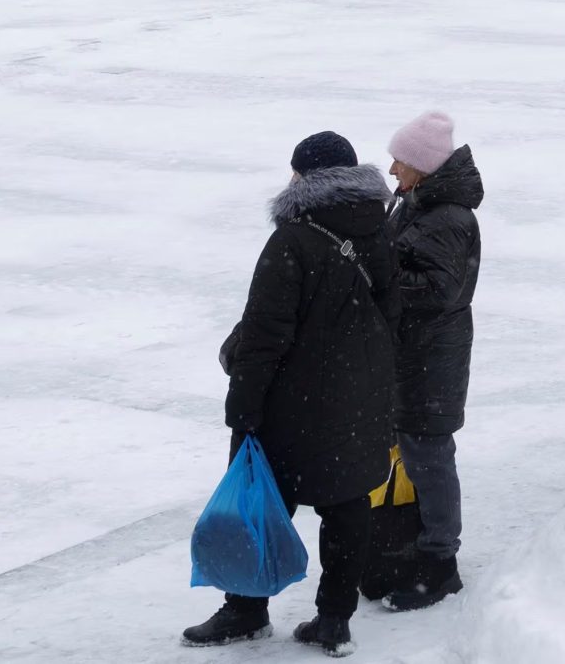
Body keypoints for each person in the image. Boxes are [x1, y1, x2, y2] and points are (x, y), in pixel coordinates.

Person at [182, 132, 397, 656]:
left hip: (291, 407)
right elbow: (389, 318)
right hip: (357, 400)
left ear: (305, 177)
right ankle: (333, 622)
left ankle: (246, 609)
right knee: (347, 508)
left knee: (259, 502)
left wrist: (243, 407)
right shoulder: (379, 229)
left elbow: (264, 335)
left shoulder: (293, 240)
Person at [376, 113, 480, 612]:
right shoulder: (419, 205)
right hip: (414, 354)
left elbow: (441, 290)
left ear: (422, 165)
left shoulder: (448, 219)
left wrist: (378, 283)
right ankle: (420, 548)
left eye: (400, 160)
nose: (392, 168)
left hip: (431, 358)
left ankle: (441, 564)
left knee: (429, 456)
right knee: (418, 451)